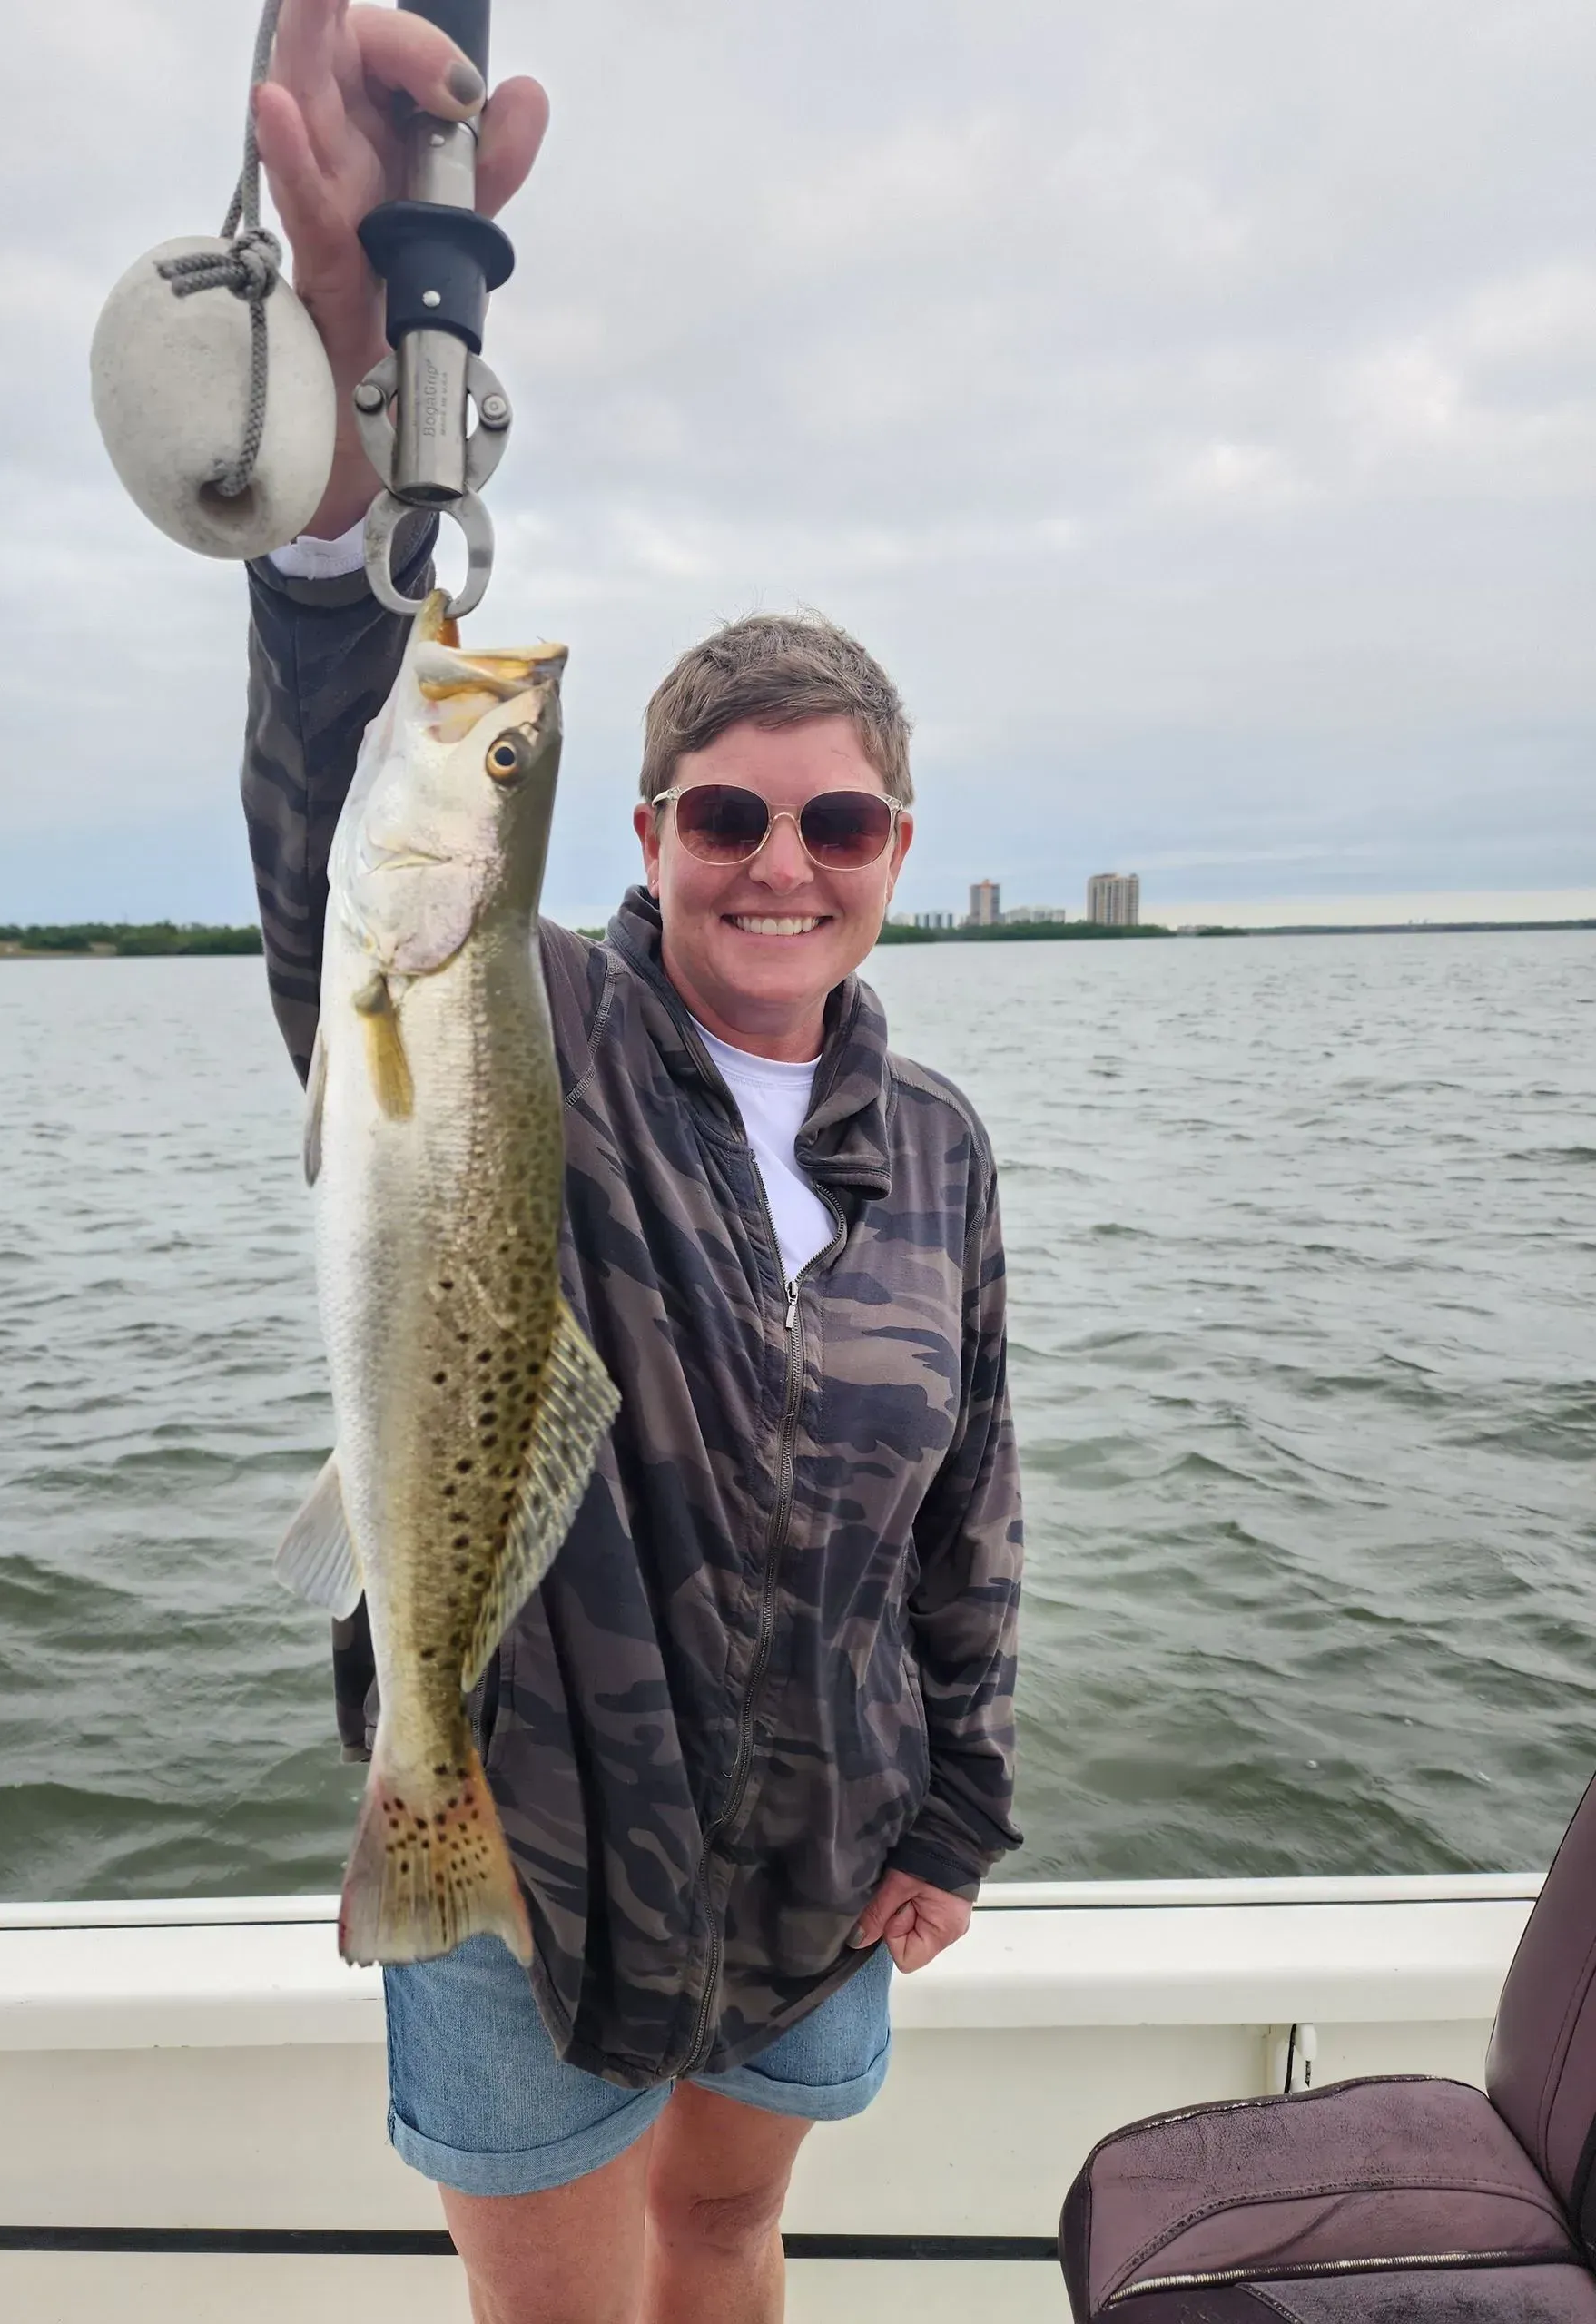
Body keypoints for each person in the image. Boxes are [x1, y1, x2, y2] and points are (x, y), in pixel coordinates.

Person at [245, 10, 1023, 2320]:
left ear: (895, 849)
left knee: (730, 2237)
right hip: (526, 1840)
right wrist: (336, 503)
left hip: (823, 1850)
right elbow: (341, 869)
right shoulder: (526, 1017)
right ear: (651, 831)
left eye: (840, 820)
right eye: (724, 814)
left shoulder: (942, 1149)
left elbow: (975, 1496)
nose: (783, 865)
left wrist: (961, 1798)